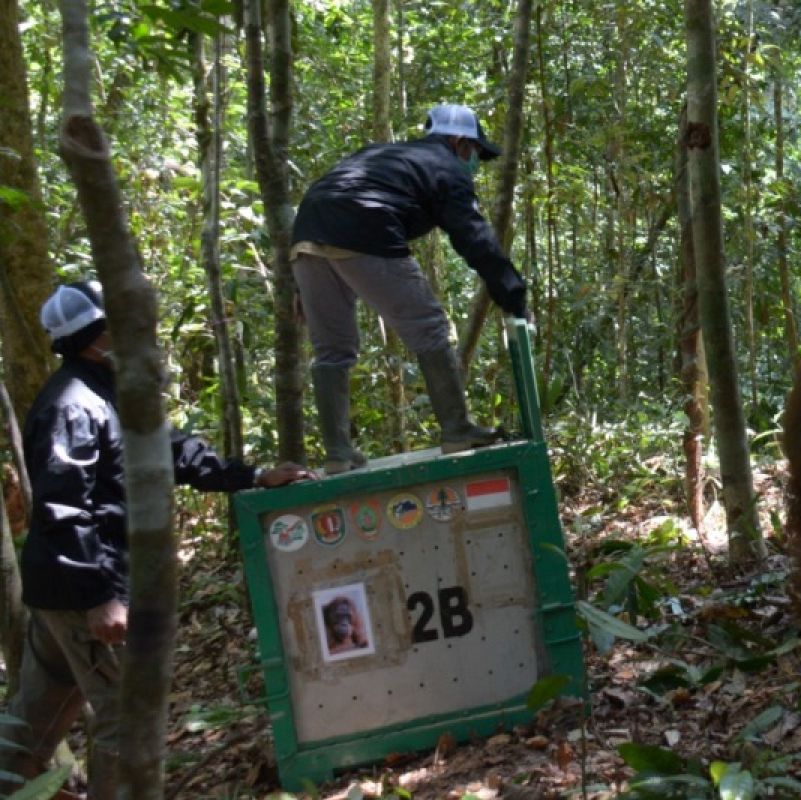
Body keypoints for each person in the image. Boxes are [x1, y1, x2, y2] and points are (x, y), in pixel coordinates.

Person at [0, 281, 314, 799]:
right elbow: (63, 509)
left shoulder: (112, 395)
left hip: (67, 590)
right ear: (91, 338)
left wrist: (252, 475)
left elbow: (172, 451)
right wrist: (101, 597)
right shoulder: (73, 405)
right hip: (82, 593)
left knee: (36, 717)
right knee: (128, 720)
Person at [291, 103, 529, 473]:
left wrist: (300, 285)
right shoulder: (446, 168)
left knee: (332, 349)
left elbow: (330, 196)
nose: (475, 163)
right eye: (476, 153)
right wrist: (513, 296)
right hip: (365, 223)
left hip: (306, 234)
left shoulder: (382, 154)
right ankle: (457, 429)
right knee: (430, 327)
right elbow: (475, 238)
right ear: (458, 142)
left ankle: (337, 453)